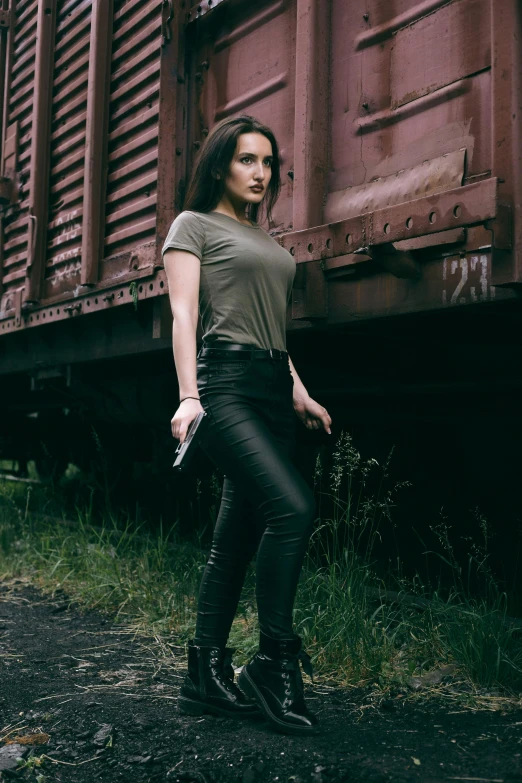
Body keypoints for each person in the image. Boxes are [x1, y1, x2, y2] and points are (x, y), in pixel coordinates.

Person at [162, 114, 332, 736]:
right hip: (224, 386)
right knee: (293, 508)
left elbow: (274, 336)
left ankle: (204, 674)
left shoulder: (268, 241)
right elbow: (184, 315)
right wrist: (188, 397)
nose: (260, 174)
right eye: (246, 161)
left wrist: (301, 394)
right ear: (219, 166)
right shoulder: (193, 227)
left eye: (267, 163)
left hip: (269, 385)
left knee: (235, 534)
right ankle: (272, 662)